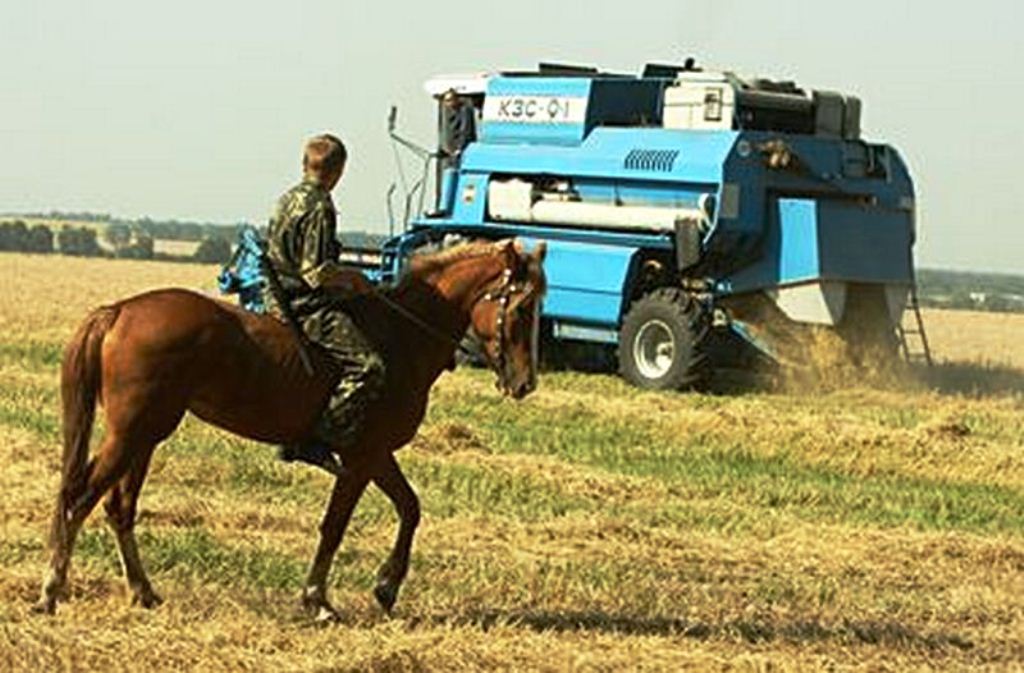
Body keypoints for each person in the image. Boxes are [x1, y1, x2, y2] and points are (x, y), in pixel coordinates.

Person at [262, 134, 385, 475]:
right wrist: (354, 278)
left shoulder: (288, 197)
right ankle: (317, 439)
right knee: (369, 366)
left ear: (305, 163)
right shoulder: (319, 205)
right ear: (338, 171)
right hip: (303, 305)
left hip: (275, 295)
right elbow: (315, 272)